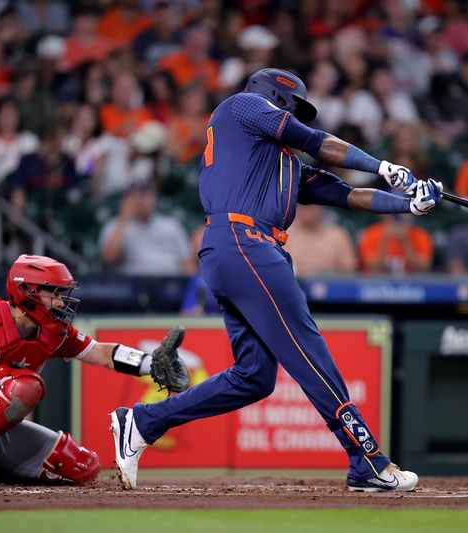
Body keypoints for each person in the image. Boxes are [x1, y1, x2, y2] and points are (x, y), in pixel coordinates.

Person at [109, 68, 442, 493]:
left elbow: (344, 194)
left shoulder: (278, 158)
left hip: (239, 248)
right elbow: (318, 142)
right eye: (294, 107)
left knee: (254, 377)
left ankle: (142, 421)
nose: (296, 115)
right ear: (274, 95)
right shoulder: (242, 107)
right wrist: (384, 165)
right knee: (307, 350)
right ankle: (368, 460)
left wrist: (409, 205)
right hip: (244, 240)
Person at [0, 254, 189, 486]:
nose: (62, 302)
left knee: (81, 465)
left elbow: (101, 354)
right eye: (55, 294)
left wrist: (150, 363)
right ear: (28, 293)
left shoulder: (53, 332)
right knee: (24, 385)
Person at [99, 181, 191, 276]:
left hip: (171, 284)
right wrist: (125, 218)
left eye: (146, 195)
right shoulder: (114, 226)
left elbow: (187, 263)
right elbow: (109, 258)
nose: (141, 200)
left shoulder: (171, 225)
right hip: (134, 284)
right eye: (136, 196)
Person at [285, 205, 357, 276]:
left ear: (322, 206)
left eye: (312, 204)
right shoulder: (282, 235)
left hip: (330, 285)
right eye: (303, 204)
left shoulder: (338, 236)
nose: (307, 209)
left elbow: (350, 271)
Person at [359, 213, 434, 274]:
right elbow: (371, 267)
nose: (396, 216)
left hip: (411, 284)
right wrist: (385, 240)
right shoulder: (371, 233)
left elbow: (423, 268)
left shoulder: (420, 235)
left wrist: (406, 242)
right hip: (379, 285)